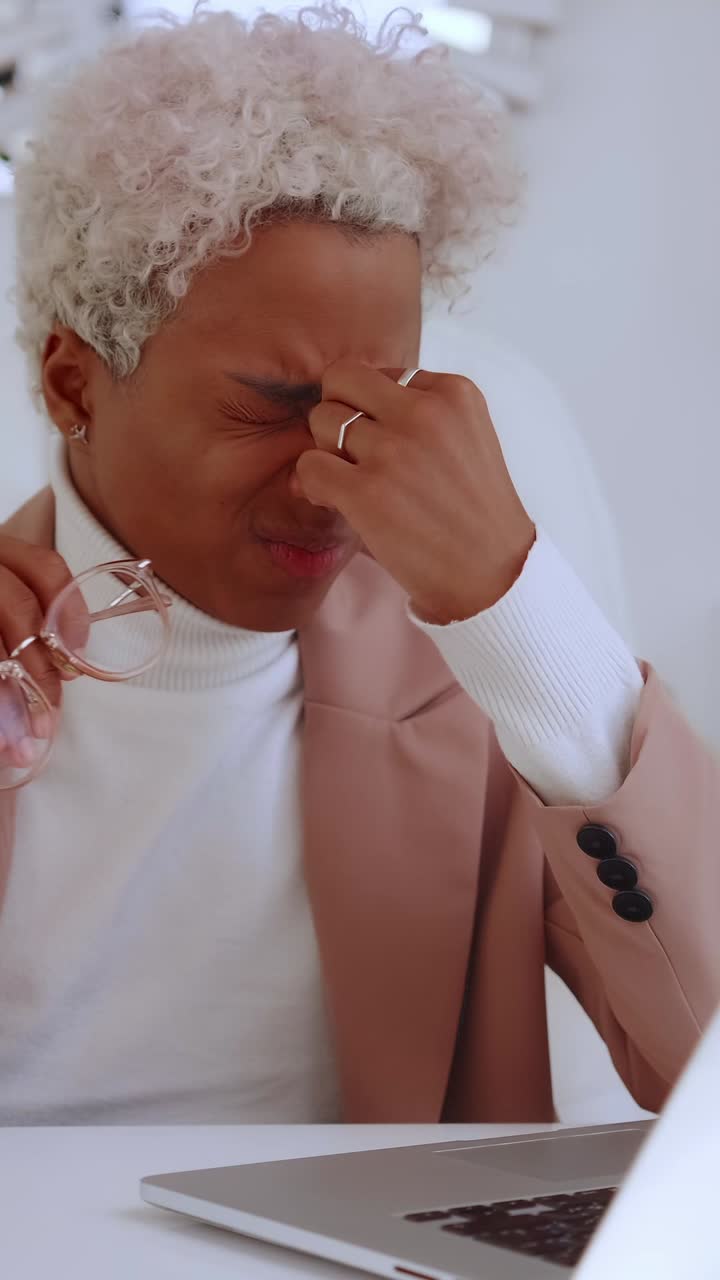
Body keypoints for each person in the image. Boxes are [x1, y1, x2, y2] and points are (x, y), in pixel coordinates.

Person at [0, 3, 717, 1126]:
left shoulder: (482, 688)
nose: (331, 479)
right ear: (75, 383)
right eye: (274, 407)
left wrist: (523, 616)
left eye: (380, 407)